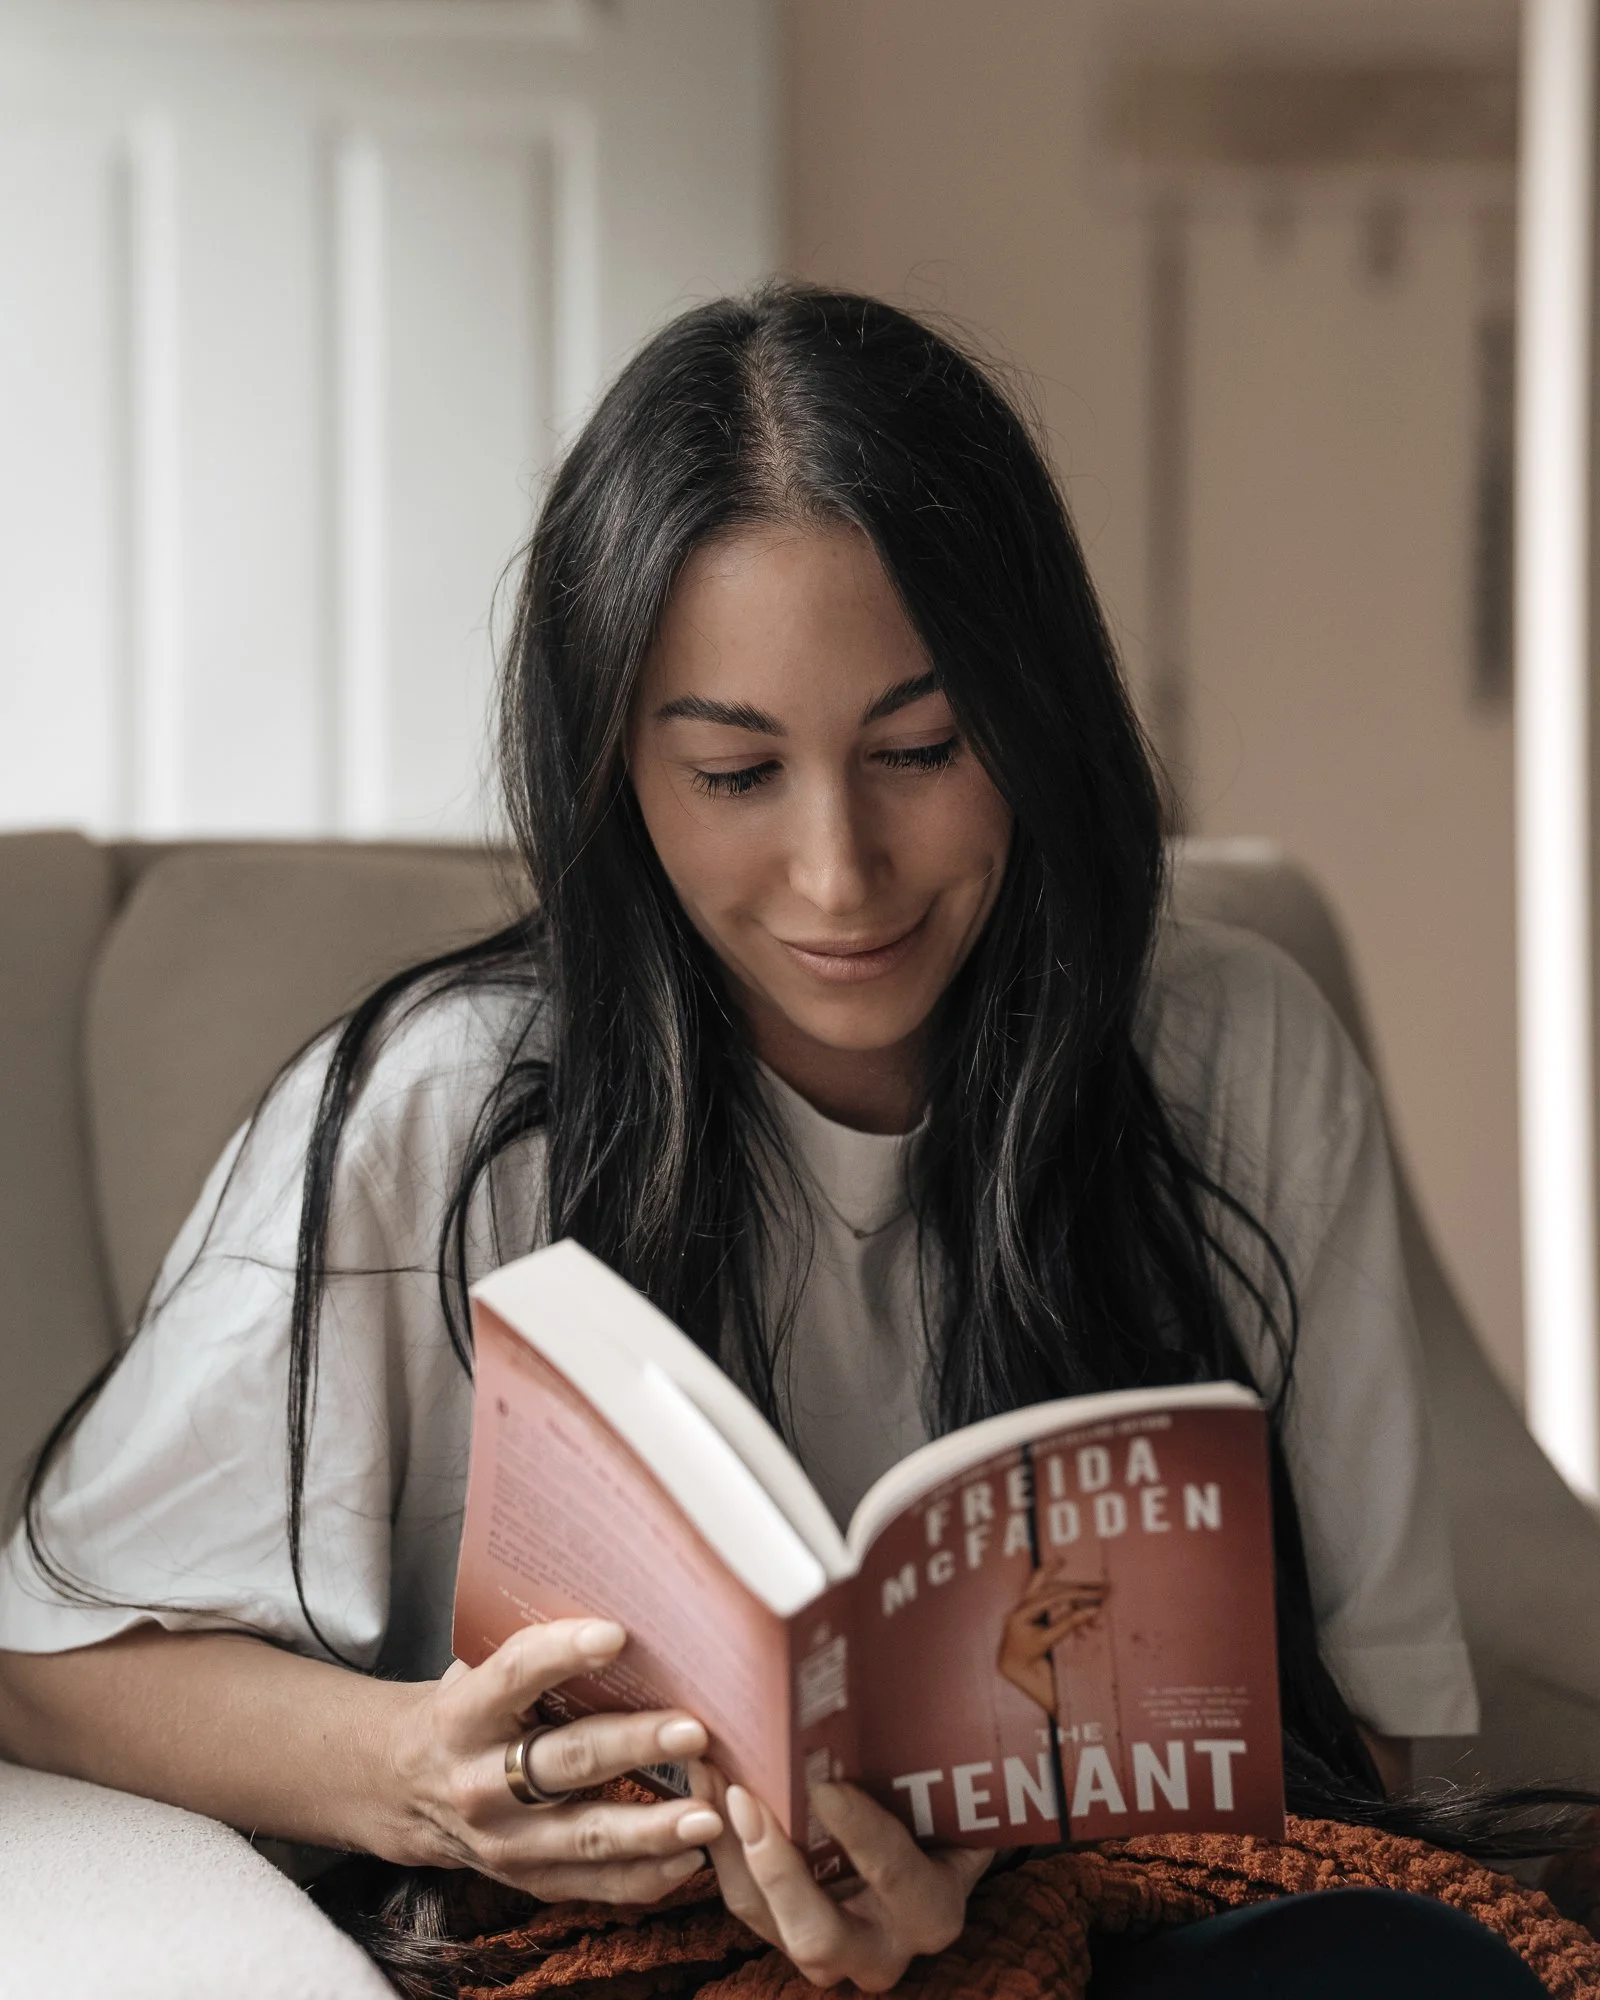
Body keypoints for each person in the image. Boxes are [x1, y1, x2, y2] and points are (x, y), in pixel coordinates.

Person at [0, 287, 1536, 1994]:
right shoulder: (442, 1110)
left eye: (922, 750)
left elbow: (1380, 1741)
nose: (839, 874)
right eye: (737, 774)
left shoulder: (1236, 1051)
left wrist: (1005, 1870)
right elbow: (44, 1667)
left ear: (1038, 720)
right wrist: (427, 1783)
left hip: (1119, 1932)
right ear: (612, 773)